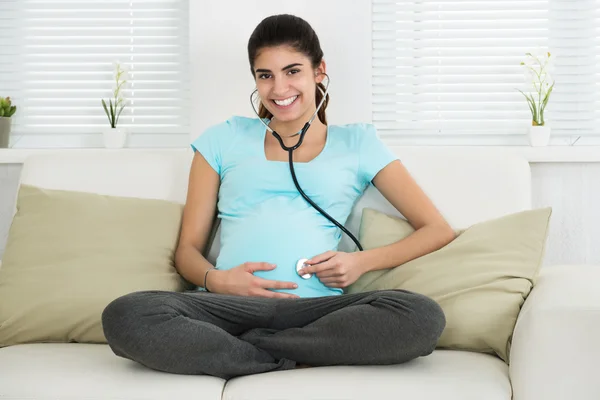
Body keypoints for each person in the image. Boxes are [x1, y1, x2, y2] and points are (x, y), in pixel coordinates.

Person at [101, 14, 456, 380]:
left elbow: (436, 229)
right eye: (265, 75)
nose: (279, 88)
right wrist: (219, 281)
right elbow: (187, 252)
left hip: (315, 311)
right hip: (227, 307)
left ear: (319, 71)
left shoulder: (358, 143)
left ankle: (246, 351)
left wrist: (361, 263)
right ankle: (290, 356)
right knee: (127, 314)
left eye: (292, 71)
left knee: (421, 316)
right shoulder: (222, 139)